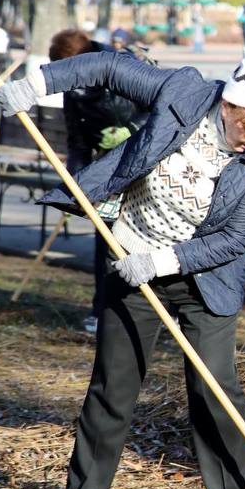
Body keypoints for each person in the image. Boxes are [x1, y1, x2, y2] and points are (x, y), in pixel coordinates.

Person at [0, 36, 245, 489]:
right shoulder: (183, 93)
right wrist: (37, 85)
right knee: (114, 384)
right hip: (131, 248)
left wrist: (161, 263)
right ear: (228, 106)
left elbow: (236, 240)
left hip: (206, 276)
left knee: (214, 387)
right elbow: (108, 68)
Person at [48, 28, 153, 334]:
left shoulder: (125, 67)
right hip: (108, 171)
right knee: (105, 238)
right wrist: (76, 185)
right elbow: (77, 141)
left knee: (148, 237)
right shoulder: (74, 91)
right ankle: (102, 310)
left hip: (148, 166)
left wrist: (132, 130)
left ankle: (162, 311)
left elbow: (162, 110)